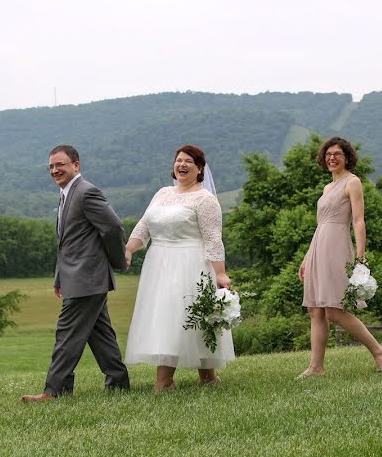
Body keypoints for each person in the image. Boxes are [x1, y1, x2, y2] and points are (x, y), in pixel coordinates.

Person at [21, 145, 130, 401]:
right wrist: (60, 278)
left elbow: (113, 227)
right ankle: (118, 383)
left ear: (76, 165)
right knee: (100, 333)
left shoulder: (86, 192)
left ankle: (55, 390)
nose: (55, 170)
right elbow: (67, 244)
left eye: (60, 165)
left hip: (88, 277)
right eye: (51, 167)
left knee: (66, 333)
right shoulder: (65, 195)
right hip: (78, 278)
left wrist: (117, 262)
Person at [124, 145, 235, 391]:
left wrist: (220, 273)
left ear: (200, 169)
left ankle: (183, 378)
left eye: (188, 162)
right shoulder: (162, 193)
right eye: (178, 161)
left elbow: (213, 238)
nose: (182, 165)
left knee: (189, 316)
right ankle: (180, 379)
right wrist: (129, 249)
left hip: (190, 263)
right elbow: (144, 226)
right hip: (159, 264)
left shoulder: (205, 199)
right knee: (166, 316)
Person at [298, 137, 382, 377]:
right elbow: (320, 225)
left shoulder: (352, 182)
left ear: (347, 157)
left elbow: (358, 220)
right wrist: (306, 257)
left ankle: (381, 353)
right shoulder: (326, 188)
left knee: (334, 309)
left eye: (337, 154)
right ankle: (316, 367)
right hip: (318, 247)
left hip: (336, 246)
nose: (332, 158)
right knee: (315, 309)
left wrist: (361, 258)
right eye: (328, 154)